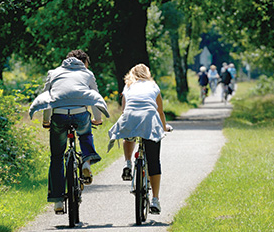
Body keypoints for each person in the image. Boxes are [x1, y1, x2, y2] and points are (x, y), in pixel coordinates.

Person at [29, 49, 109, 213]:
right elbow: (94, 96)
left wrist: (46, 121)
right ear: (84, 62)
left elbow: (47, 98)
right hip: (80, 114)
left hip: (58, 116)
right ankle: (86, 162)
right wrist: (97, 118)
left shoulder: (54, 73)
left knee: (57, 157)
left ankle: (58, 201)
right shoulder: (87, 74)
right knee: (85, 133)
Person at [107, 64, 172, 214]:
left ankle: (128, 163)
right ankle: (155, 200)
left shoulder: (128, 86)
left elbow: (124, 110)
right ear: (147, 74)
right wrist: (163, 127)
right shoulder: (153, 86)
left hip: (130, 117)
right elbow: (160, 111)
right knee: (154, 160)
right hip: (149, 118)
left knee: (129, 132)